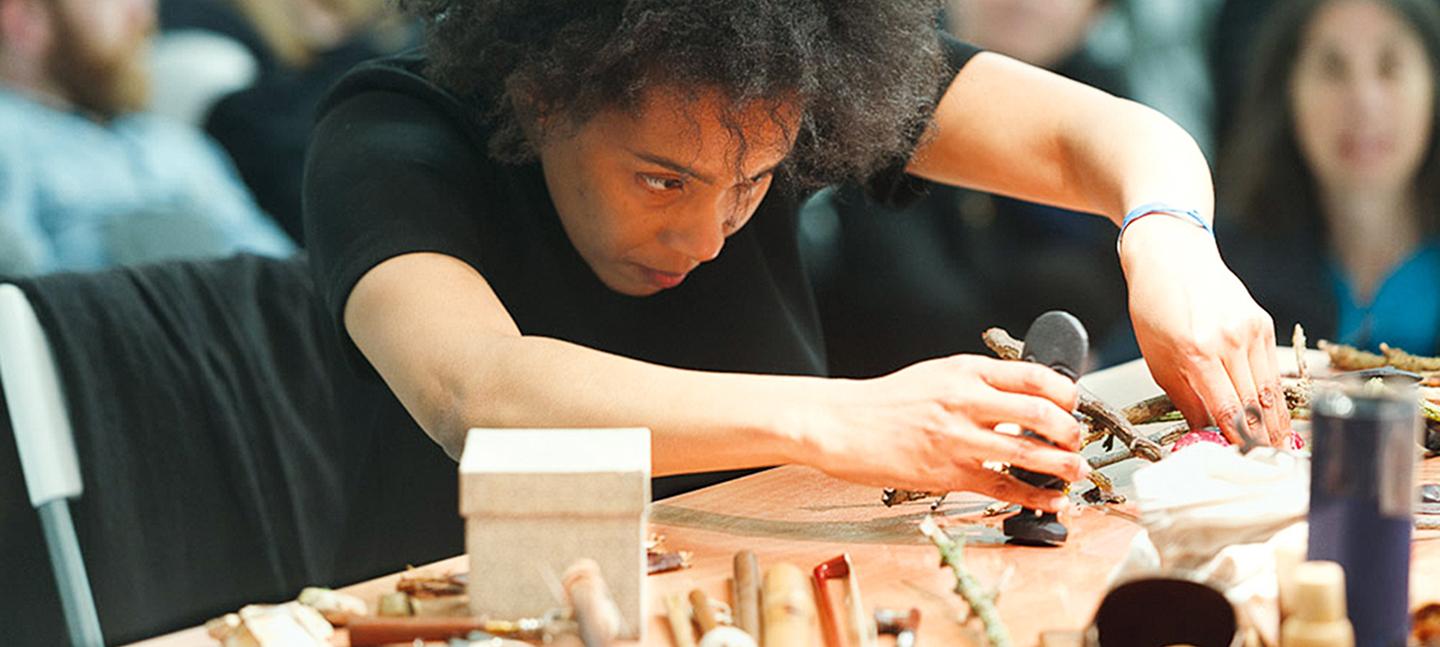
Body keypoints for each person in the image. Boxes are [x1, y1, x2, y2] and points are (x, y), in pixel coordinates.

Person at [304, 0, 1292, 574]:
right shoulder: (390, 136)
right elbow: (481, 393)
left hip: (780, 579)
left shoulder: (776, 57)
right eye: (661, 179)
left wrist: (1171, 244)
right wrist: (842, 419)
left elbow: (1114, 138)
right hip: (476, 597)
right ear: (540, 92)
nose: (705, 231)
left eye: (753, 180)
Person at [807, 0, 1132, 379]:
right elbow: (909, 300)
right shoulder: (881, 90)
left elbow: (1116, 280)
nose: (1026, 4)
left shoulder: (1105, 100)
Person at [0, 0, 294, 276]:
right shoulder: (10, 138)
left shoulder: (178, 145)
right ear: (25, 19)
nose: (145, 16)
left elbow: (286, 279)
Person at [1218, 0, 1440, 356]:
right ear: (1287, 90)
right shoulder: (1219, 268)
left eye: (1390, 67)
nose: (1364, 101)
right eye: (1333, 69)